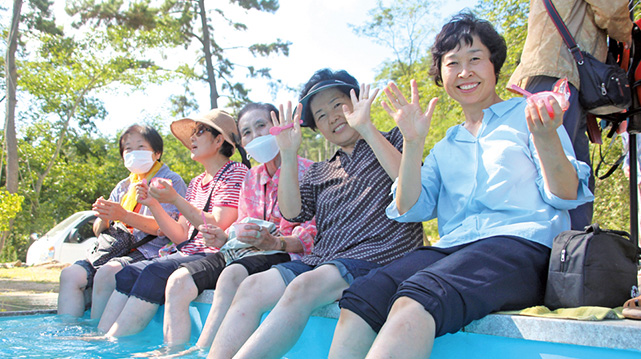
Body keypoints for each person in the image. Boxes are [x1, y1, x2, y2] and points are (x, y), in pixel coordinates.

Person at [328, 12, 593, 359]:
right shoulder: (446, 145)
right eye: (452, 63)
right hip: (454, 249)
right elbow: (410, 207)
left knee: (416, 297)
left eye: (475, 59)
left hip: (523, 247)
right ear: (441, 75)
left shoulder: (530, 115)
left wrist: (545, 137)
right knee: (364, 296)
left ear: (495, 65)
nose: (465, 72)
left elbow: (564, 194)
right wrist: (412, 142)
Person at [207, 69, 424, 359]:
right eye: (320, 115)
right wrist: (287, 153)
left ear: (357, 101)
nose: (332, 117)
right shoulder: (319, 171)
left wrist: (367, 128)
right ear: (317, 128)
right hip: (323, 260)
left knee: (303, 286)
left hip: (378, 256)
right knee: (252, 285)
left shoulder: (396, 140)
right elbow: (292, 211)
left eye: (338, 105)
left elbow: (410, 188)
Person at [157, 103, 317, 353]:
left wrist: (276, 242)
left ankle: (202, 350)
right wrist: (223, 237)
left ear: (279, 127)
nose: (256, 136)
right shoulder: (252, 177)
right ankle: (178, 351)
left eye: (261, 126)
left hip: (287, 253)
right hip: (247, 252)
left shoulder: (309, 171)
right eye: (247, 132)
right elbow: (242, 225)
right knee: (178, 280)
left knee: (232, 274)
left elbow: (312, 234)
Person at [95, 109, 249, 337]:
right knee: (128, 273)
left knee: (154, 271)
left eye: (200, 131)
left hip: (216, 254)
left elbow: (218, 225)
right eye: (193, 133)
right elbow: (181, 236)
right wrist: (155, 204)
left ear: (219, 140)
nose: (192, 139)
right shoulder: (197, 182)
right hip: (188, 251)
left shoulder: (235, 171)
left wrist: (175, 199)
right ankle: (101, 340)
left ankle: (115, 342)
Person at [508, 0, 633, 230]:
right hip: (562, 76)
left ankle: (570, 252)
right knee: (563, 174)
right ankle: (568, 254)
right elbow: (612, 10)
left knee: (570, 172)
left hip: (545, 74)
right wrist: (629, 35)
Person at [57, 124, 187, 318]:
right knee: (69, 275)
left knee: (107, 273)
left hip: (148, 251)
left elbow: (166, 229)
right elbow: (100, 230)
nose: (134, 152)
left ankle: (96, 335)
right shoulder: (124, 185)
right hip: (114, 249)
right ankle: (66, 335)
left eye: (141, 147)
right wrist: (104, 215)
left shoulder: (170, 181)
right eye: (128, 148)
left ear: (157, 153)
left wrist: (123, 215)